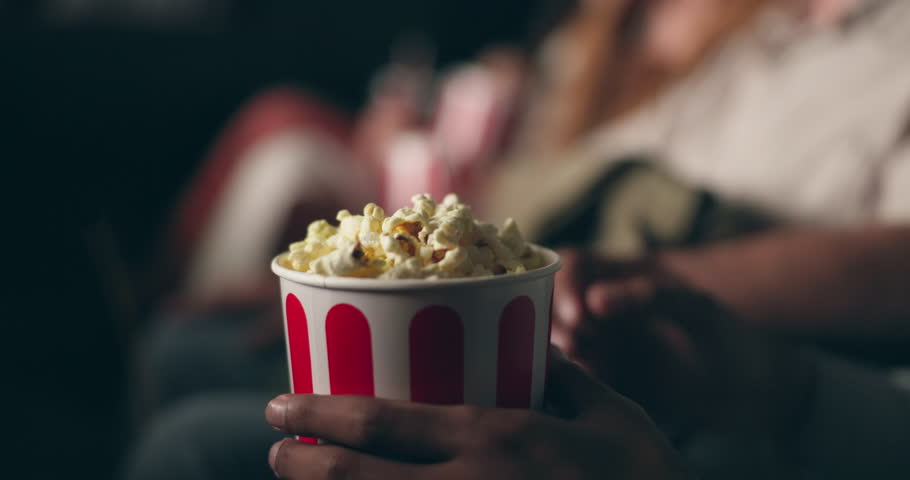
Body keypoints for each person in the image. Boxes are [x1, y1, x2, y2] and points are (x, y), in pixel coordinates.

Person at [124, 0, 910, 478]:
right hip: (530, 284)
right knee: (188, 343)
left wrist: (659, 274)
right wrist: (364, 266)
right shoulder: (764, 37)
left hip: (641, 334)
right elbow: (570, 169)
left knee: (192, 447)